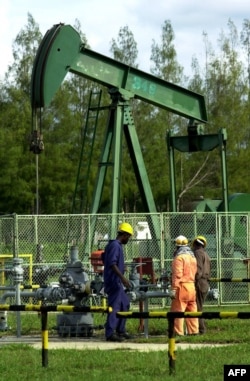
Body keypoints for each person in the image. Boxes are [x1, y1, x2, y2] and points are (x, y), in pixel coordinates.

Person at [101, 222, 133, 342]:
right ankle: (110, 333)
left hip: (115, 280)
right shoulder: (115, 245)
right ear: (124, 235)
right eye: (128, 237)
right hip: (114, 281)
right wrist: (123, 278)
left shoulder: (113, 245)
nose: (128, 239)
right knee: (114, 307)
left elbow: (104, 258)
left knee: (125, 304)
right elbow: (112, 263)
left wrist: (122, 267)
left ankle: (121, 330)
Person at [169, 235, 199, 336]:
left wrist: (173, 289)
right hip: (191, 286)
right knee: (192, 310)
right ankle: (194, 332)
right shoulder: (193, 257)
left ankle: (178, 333)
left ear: (177, 247)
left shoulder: (179, 258)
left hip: (181, 287)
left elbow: (177, 275)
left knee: (178, 311)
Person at [192, 235, 211, 334]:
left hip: (199, 283)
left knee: (198, 308)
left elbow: (198, 271)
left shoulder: (197, 253)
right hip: (205, 283)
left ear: (195, 244)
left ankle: (201, 330)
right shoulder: (206, 254)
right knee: (199, 307)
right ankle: (199, 328)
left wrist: (193, 280)